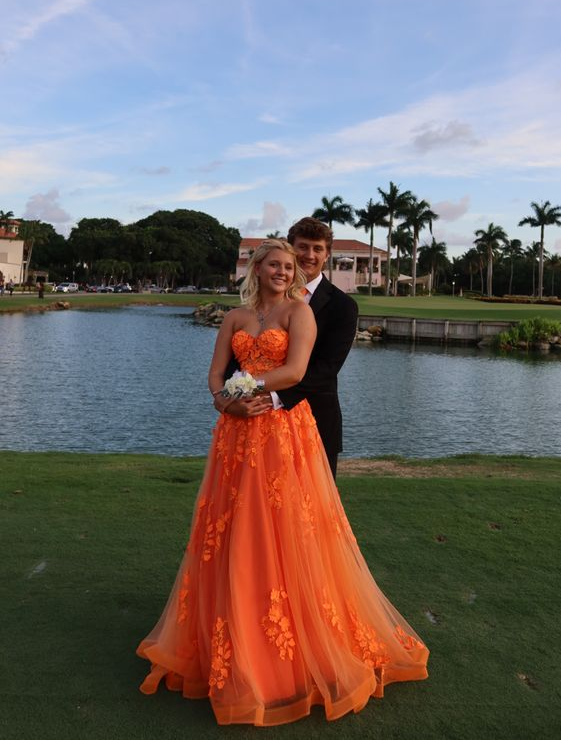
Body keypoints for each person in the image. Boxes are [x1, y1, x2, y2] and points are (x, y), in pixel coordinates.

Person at [136, 238, 428, 726]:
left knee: (284, 527)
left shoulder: (300, 314)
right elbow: (214, 376)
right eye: (274, 263)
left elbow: (294, 371)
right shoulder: (234, 318)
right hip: (234, 434)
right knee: (230, 529)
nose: (282, 270)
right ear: (257, 267)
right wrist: (226, 401)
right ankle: (230, 630)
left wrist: (246, 390)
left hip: (281, 433)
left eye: (288, 265)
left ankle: (286, 648)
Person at [216, 217, 358, 479]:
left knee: (307, 510)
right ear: (292, 248)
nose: (310, 255)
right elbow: (238, 360)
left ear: (327, 255)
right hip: (249, 415)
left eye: (318, 249)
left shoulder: (342, 306)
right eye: (303, 247)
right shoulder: (251, 311)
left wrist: (269, 397)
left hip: (313, 417)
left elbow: (326, 368)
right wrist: (229, 399)